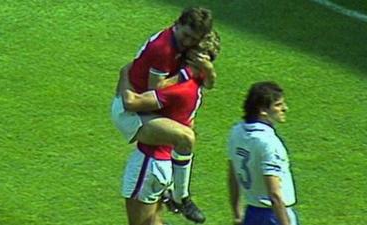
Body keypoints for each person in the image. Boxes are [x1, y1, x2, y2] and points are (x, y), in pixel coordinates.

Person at [111, 7, 214, 223]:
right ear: (177, 24)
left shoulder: (184, 82)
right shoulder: (168, 53)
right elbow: (148, 92)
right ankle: (180, 196)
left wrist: (126, 76)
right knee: (185, 137)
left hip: (151, 159)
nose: (187, 43)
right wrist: (194, 71)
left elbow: (142, 96)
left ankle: (178, 196)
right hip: (144, 131)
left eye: (192, 41)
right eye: (186, 36)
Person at [227, 81, 299, 225]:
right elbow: (275, 194)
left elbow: (232, 175)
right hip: (274, 216)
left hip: (252, 214)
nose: (285, 108)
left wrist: (237, 213)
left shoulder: (236, 132)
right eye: (278, 105)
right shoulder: (269, 143)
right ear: (263, 110)